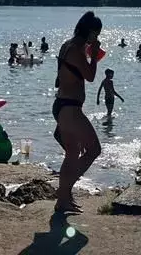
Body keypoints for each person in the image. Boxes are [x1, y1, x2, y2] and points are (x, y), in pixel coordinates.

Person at [53, 11, 103, 215]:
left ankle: (63, 198)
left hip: (64, 105)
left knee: (72, 154)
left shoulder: (68, 44)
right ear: (90, 32)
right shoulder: (75, 49)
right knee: (93, 150)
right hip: (70, 108)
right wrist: (95, 56)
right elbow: (90, 76)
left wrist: (90, 52)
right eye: (96, 34)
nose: (97, 38)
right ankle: (63, 194)